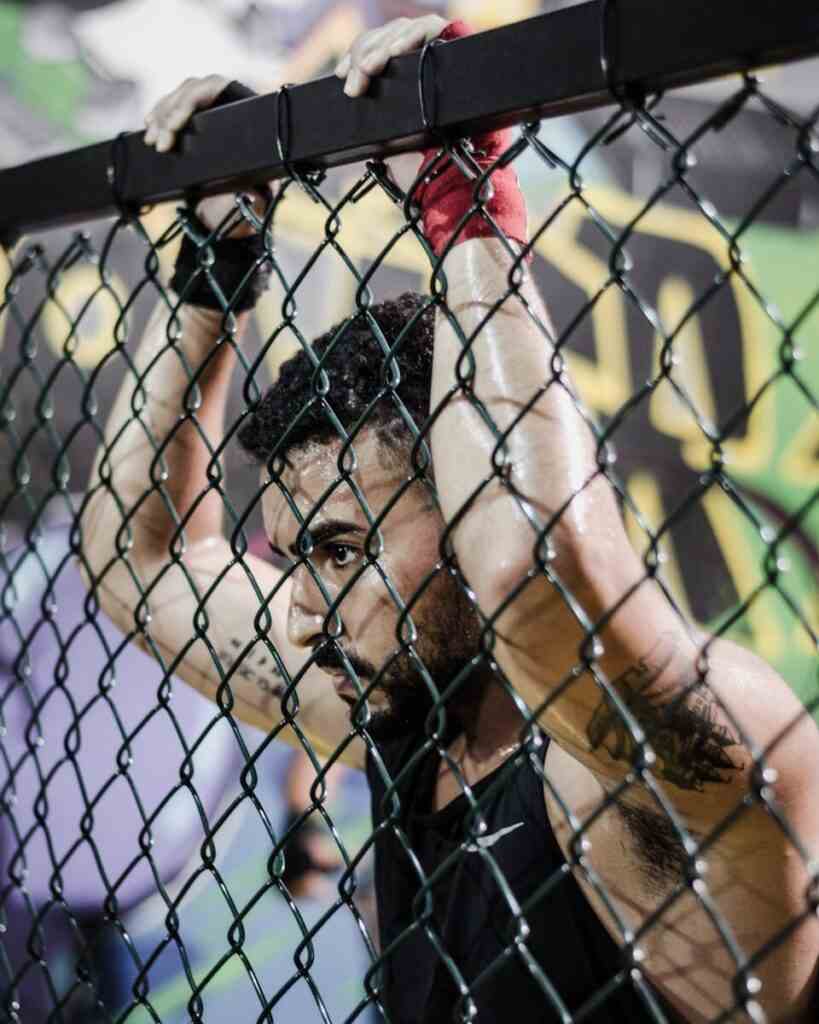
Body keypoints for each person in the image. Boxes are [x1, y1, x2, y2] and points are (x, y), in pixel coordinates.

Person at [80, 15, 819, 1023]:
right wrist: (215, 265)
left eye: (341, 549)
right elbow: (137, 556)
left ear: (467, 503)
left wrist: (465, 201)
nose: (301, 610)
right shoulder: (408, 713)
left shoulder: (665, 756)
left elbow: (525, 568)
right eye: (295, 555)